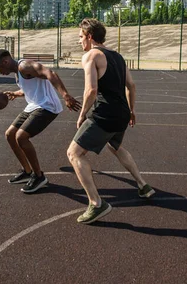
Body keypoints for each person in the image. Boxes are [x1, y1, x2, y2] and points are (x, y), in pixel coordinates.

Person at [66, 19, 154, 224]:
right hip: (122, 113)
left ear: (89, 36)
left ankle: (96, 203)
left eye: (80, 37)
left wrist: (82, 114)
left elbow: (91, 90)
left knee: (74, 153)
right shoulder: (118, 56)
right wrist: (132, 111)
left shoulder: (91, 55)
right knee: (116, 146)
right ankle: (143, 185)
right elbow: (131, 85)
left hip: (105, 113)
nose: (79, 42)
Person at [0, 49, 81, 193]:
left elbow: (49, 73)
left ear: (6, 62)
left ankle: (38, 176)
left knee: (21, 137)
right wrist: (15, 93)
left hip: (47, 106)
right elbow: (29, 90)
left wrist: (65, 95)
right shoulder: (17, 74)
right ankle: (27, 171)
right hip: (33, 105)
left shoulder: (24, 66)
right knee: (10, 134)